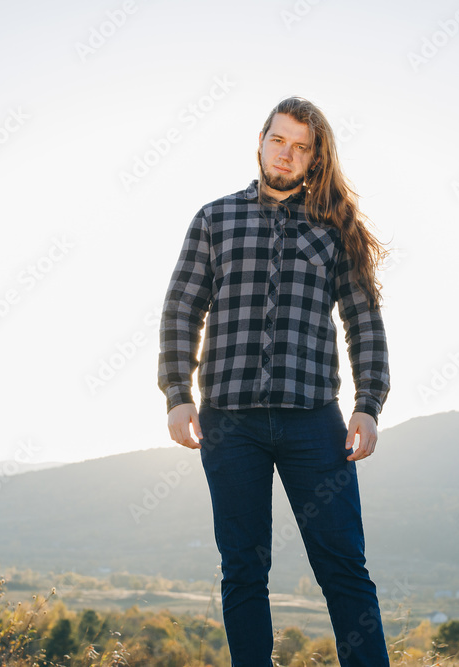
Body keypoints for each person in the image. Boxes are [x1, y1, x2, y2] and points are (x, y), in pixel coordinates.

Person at [157, 96, 391, 666]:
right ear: (260, 141)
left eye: (301, 147)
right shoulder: (214, 219)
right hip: (228, 422)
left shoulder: (335, 230)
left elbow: (362, 320)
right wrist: (176, 395)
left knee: (343, 565)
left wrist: (369, 403)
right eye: (279, 140)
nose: (287, 155)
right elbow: (182, 310)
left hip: (314, 422)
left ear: (315, 159)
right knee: (242, 568)